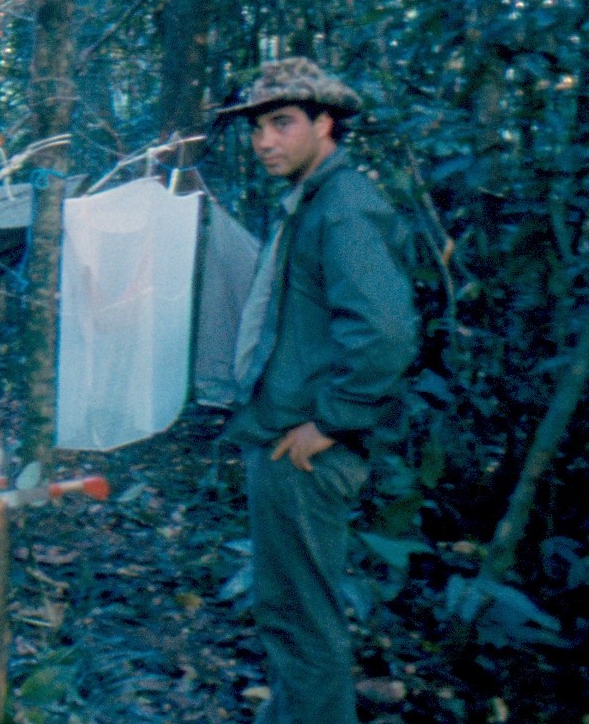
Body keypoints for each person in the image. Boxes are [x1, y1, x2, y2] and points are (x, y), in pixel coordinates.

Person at [215, 58, 418, 724]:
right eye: (256, 128)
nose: (264, 141)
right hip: (284, 434)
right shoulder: (313, 202)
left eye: (281, 124)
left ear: (325, 124)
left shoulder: (344, 207)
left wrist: (330, 422)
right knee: (289, 613)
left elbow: (386, 332)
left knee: (303, 623)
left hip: (306, 447)